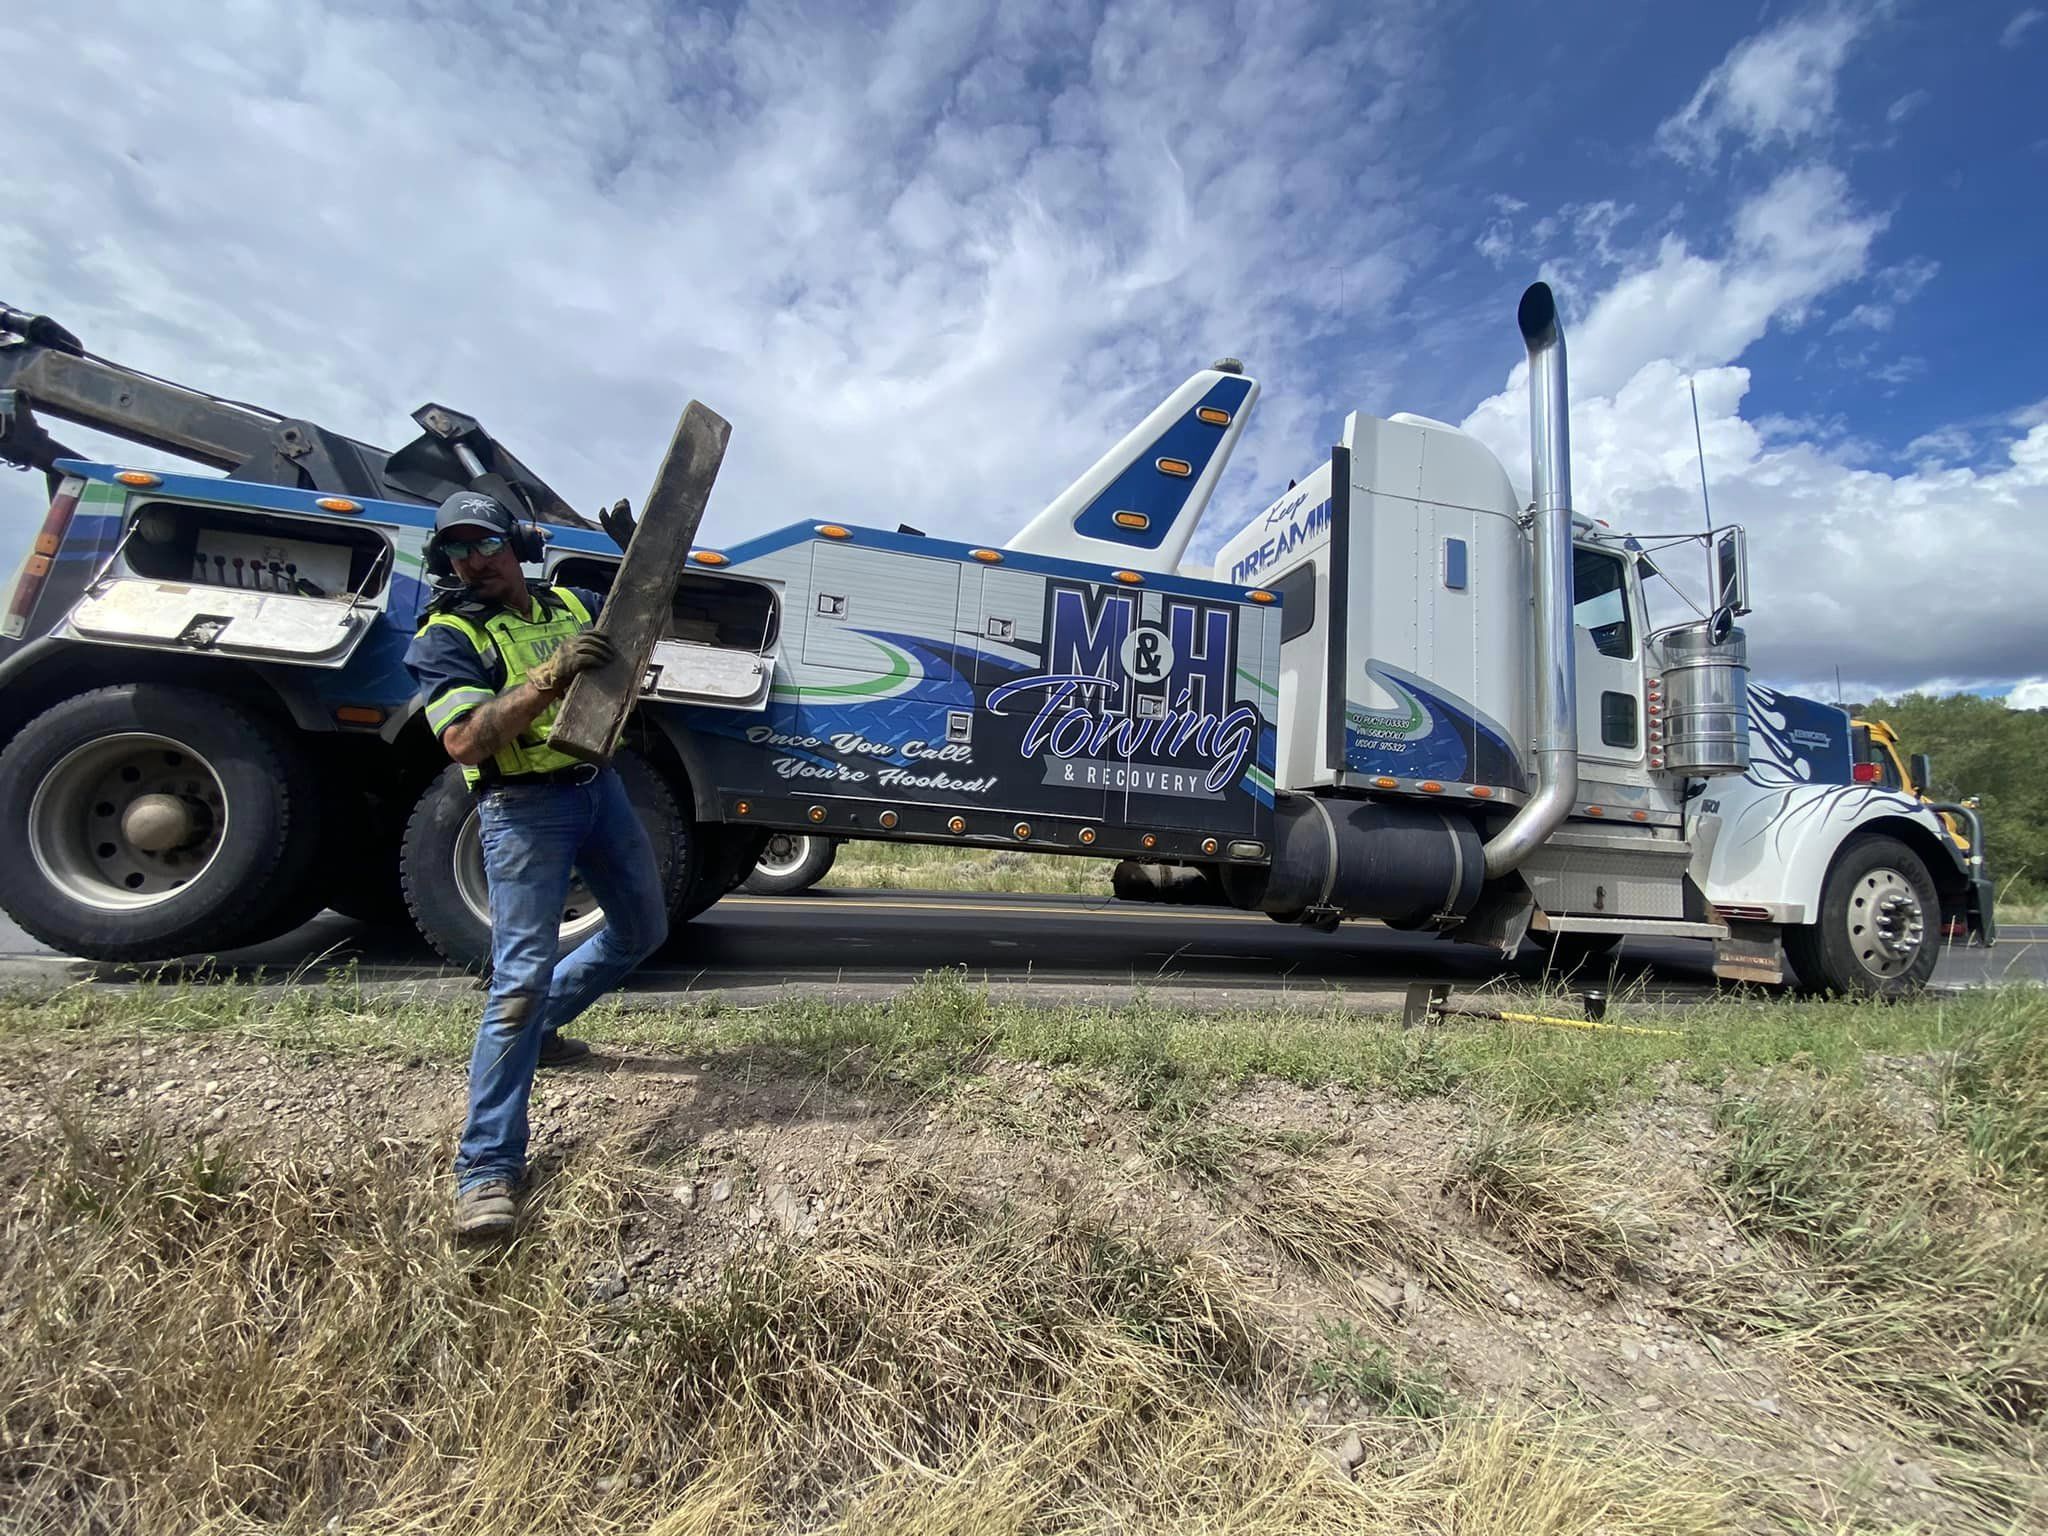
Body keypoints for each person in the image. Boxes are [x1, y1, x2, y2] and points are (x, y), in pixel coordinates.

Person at [404, 490, 668, 1241]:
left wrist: (642, 567)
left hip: (598, 790)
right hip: (523, 811)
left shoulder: (569, 604)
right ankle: (486, 1171)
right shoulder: (446, 635)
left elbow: (646, 634)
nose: (473, 561)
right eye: (456, 550)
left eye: (484, 543)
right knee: (518, 978)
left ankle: (544, 1028)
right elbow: (463, 742)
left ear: (515, 542)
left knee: (641, 930)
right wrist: (548, 678)